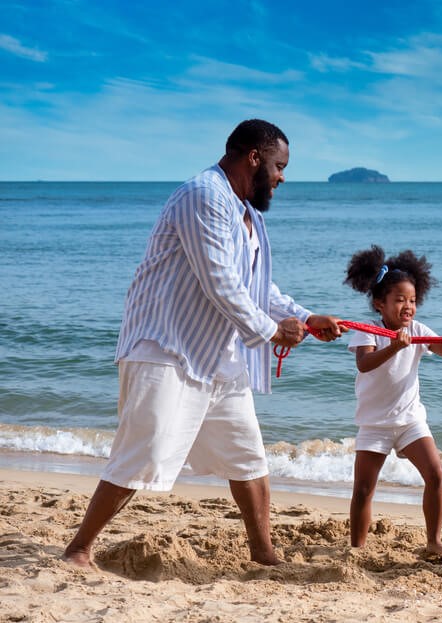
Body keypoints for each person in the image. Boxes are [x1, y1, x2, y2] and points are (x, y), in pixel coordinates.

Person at [63, 119, 344, 568]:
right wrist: (274, 331)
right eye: (278, 165)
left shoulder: (245, 212)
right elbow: (221, 283)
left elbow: (255, 287)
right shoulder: (204, 195)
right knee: (145, 450)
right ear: (254, 156)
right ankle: (79, 548)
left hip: (217, 354)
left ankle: (264, 553)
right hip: (166, 345)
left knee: (246, 453)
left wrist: (304, 316)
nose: (281, 177)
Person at [343, 245, 442, 560]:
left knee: (435, 475)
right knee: (363, 490)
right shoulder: (368, 332)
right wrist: (394, 346)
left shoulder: (417, 331)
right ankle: (357, 549)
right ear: (380, 303)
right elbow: (365, 364)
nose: (408, 306)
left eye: (413, 300)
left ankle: (433, 542)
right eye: (400, 299)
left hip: (410, 420)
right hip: (374, 423)